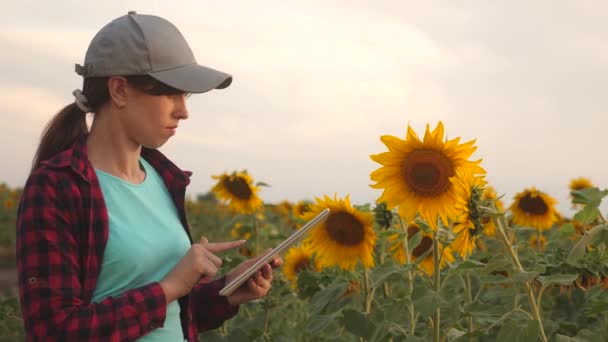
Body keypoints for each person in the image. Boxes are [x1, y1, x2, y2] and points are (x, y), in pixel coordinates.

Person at [16, 11, 282, 341]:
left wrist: (224, 292)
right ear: (119, 90)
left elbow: (170, 315)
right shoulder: (58, 186)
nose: (183, 111)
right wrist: (170, 286)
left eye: (184, 96)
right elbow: (54, 331)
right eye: (170, 93)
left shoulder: (164, 179)